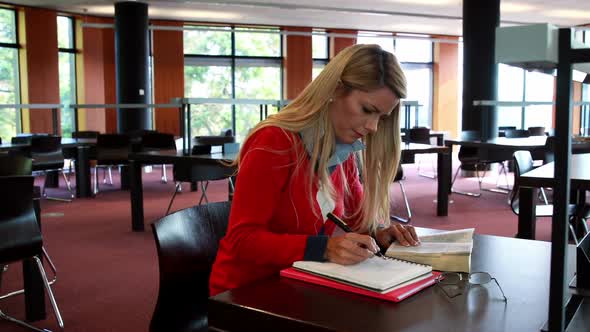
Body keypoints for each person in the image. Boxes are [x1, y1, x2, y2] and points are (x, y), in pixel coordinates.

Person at [209, 44, 420, 296]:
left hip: (300, 283)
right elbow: (242, 240)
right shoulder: (273, 141)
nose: (374, 127)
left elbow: (356, 223)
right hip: (246, 293)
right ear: (335, 89)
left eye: (382, 117)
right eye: (367, 110)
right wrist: (324, 248)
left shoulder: (344, 150)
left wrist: (381, 234)